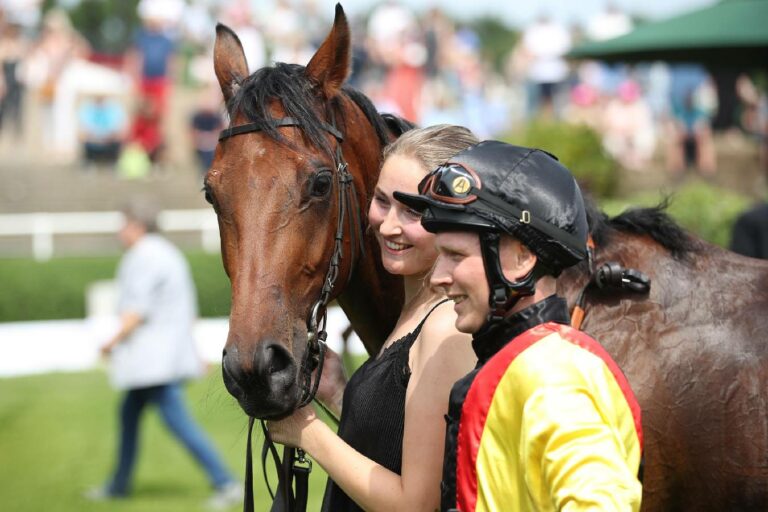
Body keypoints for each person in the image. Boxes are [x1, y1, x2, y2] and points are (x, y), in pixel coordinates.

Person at [394, 140, 643, 511]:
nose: (438, 278)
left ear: (522, 258)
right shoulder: (521, 361)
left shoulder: (554, 373)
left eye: (455, 256)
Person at [266, 125, 479, 511]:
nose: (388, 224)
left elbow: (415, 504)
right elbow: (400, 445)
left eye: (413, 209)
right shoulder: (419, 309)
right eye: (382, 201)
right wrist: (338, 393)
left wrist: (307, 431)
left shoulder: (447, 325)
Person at [87, 200, 240, 510]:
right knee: (129, 414)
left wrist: (109, 343)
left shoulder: (145, 256)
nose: (120, 231)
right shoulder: (167, 254)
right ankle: (118, 485)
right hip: (160, 357)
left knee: (177, 421)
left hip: (152, 361)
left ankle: (226, 482)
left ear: (138, 226)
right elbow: (183, 310)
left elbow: (136, 311)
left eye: (124, 224)